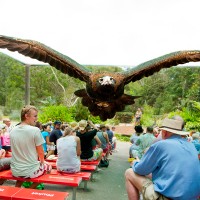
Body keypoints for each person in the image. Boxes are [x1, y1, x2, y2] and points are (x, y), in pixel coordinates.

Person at [125, 118, 200, 199]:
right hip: (192, 197)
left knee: (129, 173)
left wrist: (135, 163)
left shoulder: (161, 145)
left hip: (167, 198)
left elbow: (140, 169)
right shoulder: (191, 146)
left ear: (165, 132)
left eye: (161, 131)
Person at [10, 105, 51, 188]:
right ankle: (28, 191)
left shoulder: (13, 130)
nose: (37, 118)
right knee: (48, 167)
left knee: (22, 175)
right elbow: (40, 152)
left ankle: (16, 189)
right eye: (35, 116)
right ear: (26, 116)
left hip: (15, 170)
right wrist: (43, 162)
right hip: (29, 171)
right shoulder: (35, 130)